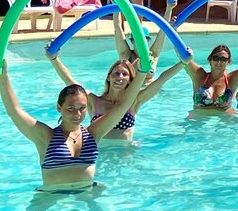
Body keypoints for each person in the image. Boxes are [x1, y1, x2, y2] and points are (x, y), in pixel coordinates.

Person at [0, 58, 146, 190]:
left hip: (88, 192)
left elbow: (122, 105)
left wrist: (141, 73)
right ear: (59, 108)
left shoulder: (94, 133)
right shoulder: (45, 136)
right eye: (71, 109)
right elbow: (15, 112)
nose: (77, 114)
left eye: (81, 109)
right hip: (51, 195)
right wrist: (3, 78)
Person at [46, 52, 185, 143]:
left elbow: (161, 79)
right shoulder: (94, 101)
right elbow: (70, 81)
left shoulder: (134, 101)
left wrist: (183, 62)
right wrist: (54, 59)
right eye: (116, 73)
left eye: (125, 74)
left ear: (130, 80)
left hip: (126, 153)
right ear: (108, 77)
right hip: (99, 152)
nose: (120, 77)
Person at [184, 45, 238, 114]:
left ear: (228, 62)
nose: (219, 62)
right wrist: (187, 52)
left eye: (223, 59)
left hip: (224, 122)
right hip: (198, 121)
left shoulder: (232, 79)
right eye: (216, 58)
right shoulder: (199, 76)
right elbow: (182, 57)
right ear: (210, 60)